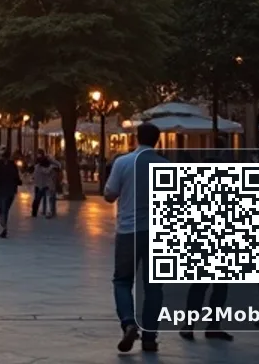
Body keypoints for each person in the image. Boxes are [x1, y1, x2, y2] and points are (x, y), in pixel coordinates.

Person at [106, 122, 163, 354]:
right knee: (153, 287)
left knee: (122, 281)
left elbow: (110, 194)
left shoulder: (123, 162)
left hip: (129, 230)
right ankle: (150, 337)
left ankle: (129, 322)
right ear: (157, 140)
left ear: (136, 138)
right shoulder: (167, 166)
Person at [0, 153, 20, 237]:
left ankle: (3, 224)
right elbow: (16, 177)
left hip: (0, 190)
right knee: (6, 209)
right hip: (10, 190)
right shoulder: (13, 165)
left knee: (2, 209)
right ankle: (4, 225)